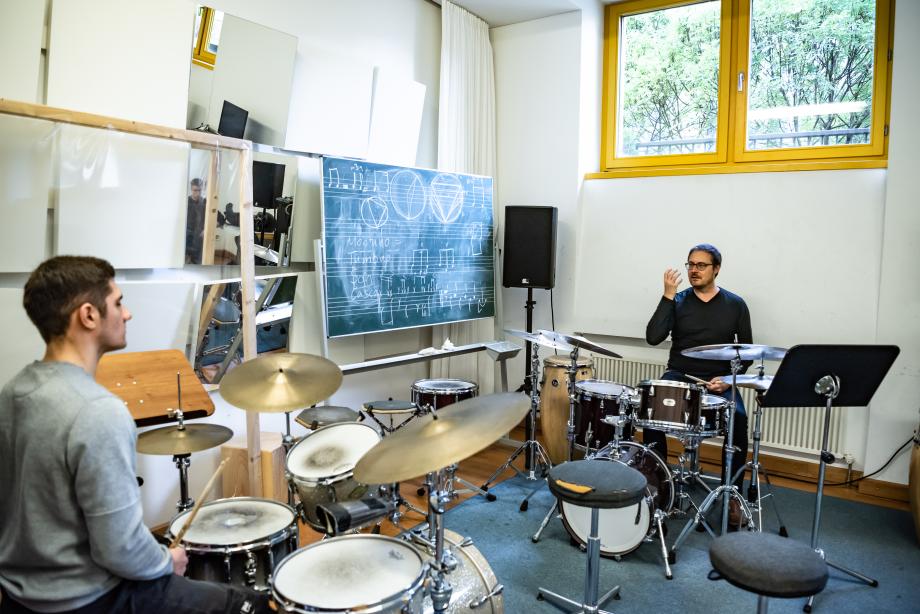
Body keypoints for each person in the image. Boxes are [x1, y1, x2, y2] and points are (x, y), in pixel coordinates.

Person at [0, 256, 272, 613]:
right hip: (90, 600)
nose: (126, 314)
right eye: (117, 303)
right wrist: (166, 561)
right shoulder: (97, 411)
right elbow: (122, 550)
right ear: (88, 315)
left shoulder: (12, 393)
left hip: (21, 599)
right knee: (249, 604)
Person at [644, 243, 752, 527]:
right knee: (652, 412)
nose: (693, 270)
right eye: (690, 264)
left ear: (716, 269)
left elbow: (747, 354)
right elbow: (653, 337)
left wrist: (728, 380)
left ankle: (733, 495)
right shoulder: (677, 301)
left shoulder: (736, 305)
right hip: (680, 375)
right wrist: (667, 297)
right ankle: (659, 485)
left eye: (701, 265)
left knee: (739, 419)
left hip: (719, 380)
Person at [185, 178, 206, 264]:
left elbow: (219, 218)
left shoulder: (205, 202)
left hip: (199, 238)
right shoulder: (185, 202)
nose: (197, 193)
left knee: (198, 264)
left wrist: (206, 230)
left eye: (199, 190)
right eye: (195, 190)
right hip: (186, 237)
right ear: (191, 189)